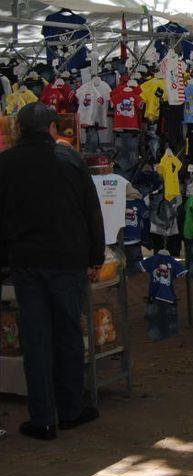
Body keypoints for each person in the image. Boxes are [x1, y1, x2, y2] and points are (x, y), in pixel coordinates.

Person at [0, 102, 105, 440]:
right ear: (51, 129)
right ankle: (72, 409)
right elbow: (92, 209)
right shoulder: (69, 159)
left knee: (36, 339)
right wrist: (96, 256)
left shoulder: (6, 163)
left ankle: (43, 418)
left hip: (26, 262)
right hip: (67, 260)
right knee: (68, 335)